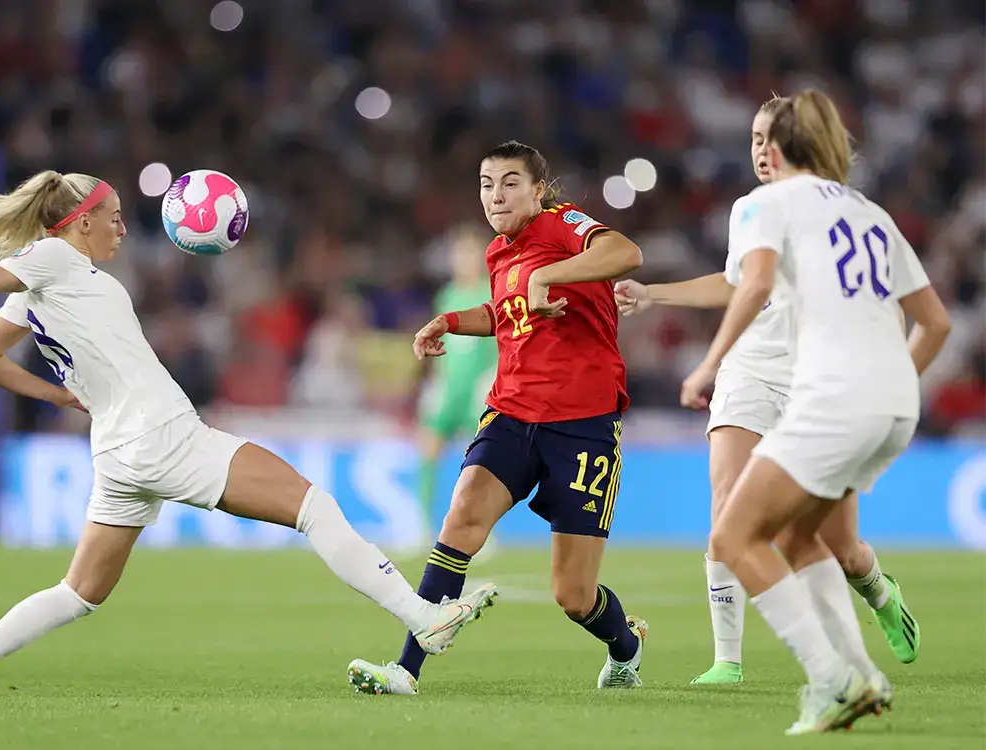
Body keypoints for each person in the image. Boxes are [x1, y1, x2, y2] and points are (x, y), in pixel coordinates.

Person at [0, 170, 499, 696]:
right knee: (313, 505)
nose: (122, 228)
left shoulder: (44, 284)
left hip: (119, 449)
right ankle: (421, 616)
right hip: (162, 435)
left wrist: (68, 399)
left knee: (80, 592)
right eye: (111, 216)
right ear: (77, 222)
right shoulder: (48, 262)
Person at [615, 96, 920, 685]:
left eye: (768, 138)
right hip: (750, 368)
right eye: (753, 137)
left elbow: (889, 307)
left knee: (839, 546)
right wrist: (653, 294)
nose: (758, 148)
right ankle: (727, 660)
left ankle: (878, 591)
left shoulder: (847, 215)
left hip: (817, 381)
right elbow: (738, 285)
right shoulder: (750, 209)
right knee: (726, 503)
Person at [677, 90, 951, 734]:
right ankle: (864, 677)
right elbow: (936, 323)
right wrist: (891, 386)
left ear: (774, 148)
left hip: (833, 396)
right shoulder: (869, 212)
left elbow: (757, 282)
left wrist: (709, 361)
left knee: (733, 536)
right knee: (803, 537)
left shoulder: (767, 204)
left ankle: (831, 680)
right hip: (892, 405)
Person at [347, 140, 646, 696]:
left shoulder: (562, 225)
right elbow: (507, 316)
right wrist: (450, 321)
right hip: (511, 412)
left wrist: (548, 277)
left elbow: (627, 253)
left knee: (574, 596)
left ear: (537, 190)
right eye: (487, 184)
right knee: (460, 520)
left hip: (584, 423)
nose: (496, 194)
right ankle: (405, 671)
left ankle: (625, 645)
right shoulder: (496, 253)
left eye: (510, 182)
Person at [414, 224, 497, 545]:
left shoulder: (490, 293)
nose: (465, 260)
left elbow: (505, 343)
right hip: (449, 388)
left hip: (478, 388)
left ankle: (481, 531)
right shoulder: (446, 295)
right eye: (459, 254)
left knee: (481, 464)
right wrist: (434, 383)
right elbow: (440, 344)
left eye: (470, 254)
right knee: (428, 448)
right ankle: (421, 525)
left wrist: (492, 378)